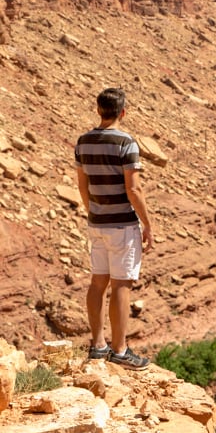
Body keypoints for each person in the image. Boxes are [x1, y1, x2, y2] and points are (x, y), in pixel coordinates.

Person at [75, 88, 154, 370]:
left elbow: (82, 186)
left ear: (98, 110)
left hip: (97, 223)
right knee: (122, 285)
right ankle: (120, 350)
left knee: (98, 282)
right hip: (122, 225)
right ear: (123, 112)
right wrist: (147, 223)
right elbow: (134, 189)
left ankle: (98, 346)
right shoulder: (127, 143)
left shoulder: (83, 141)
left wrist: (92, 212)